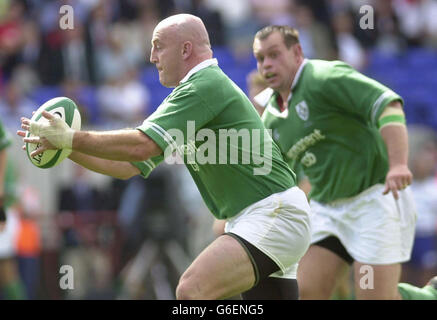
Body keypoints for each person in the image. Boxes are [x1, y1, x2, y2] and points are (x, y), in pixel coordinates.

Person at [18, 14, 312, 300]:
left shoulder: (203, 85)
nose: (151, 57)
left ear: (185, 50)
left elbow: (140, 146)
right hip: (263, 215)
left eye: (158, 45)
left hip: (271, 213)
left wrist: (69, 138)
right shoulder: (192, 92)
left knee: (191, 289)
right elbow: (127, 166)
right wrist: (67, 149)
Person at [251, 25, 436, 299]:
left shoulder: (326, 77)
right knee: (308, 292)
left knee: (374, 297)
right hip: (327, 211)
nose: (266, 64)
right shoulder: (272, 120)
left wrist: (398, 164)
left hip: (373, 201)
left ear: (298, 52)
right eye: (260, 58)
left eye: (274, 54)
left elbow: (388, 106)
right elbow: (281, 181)